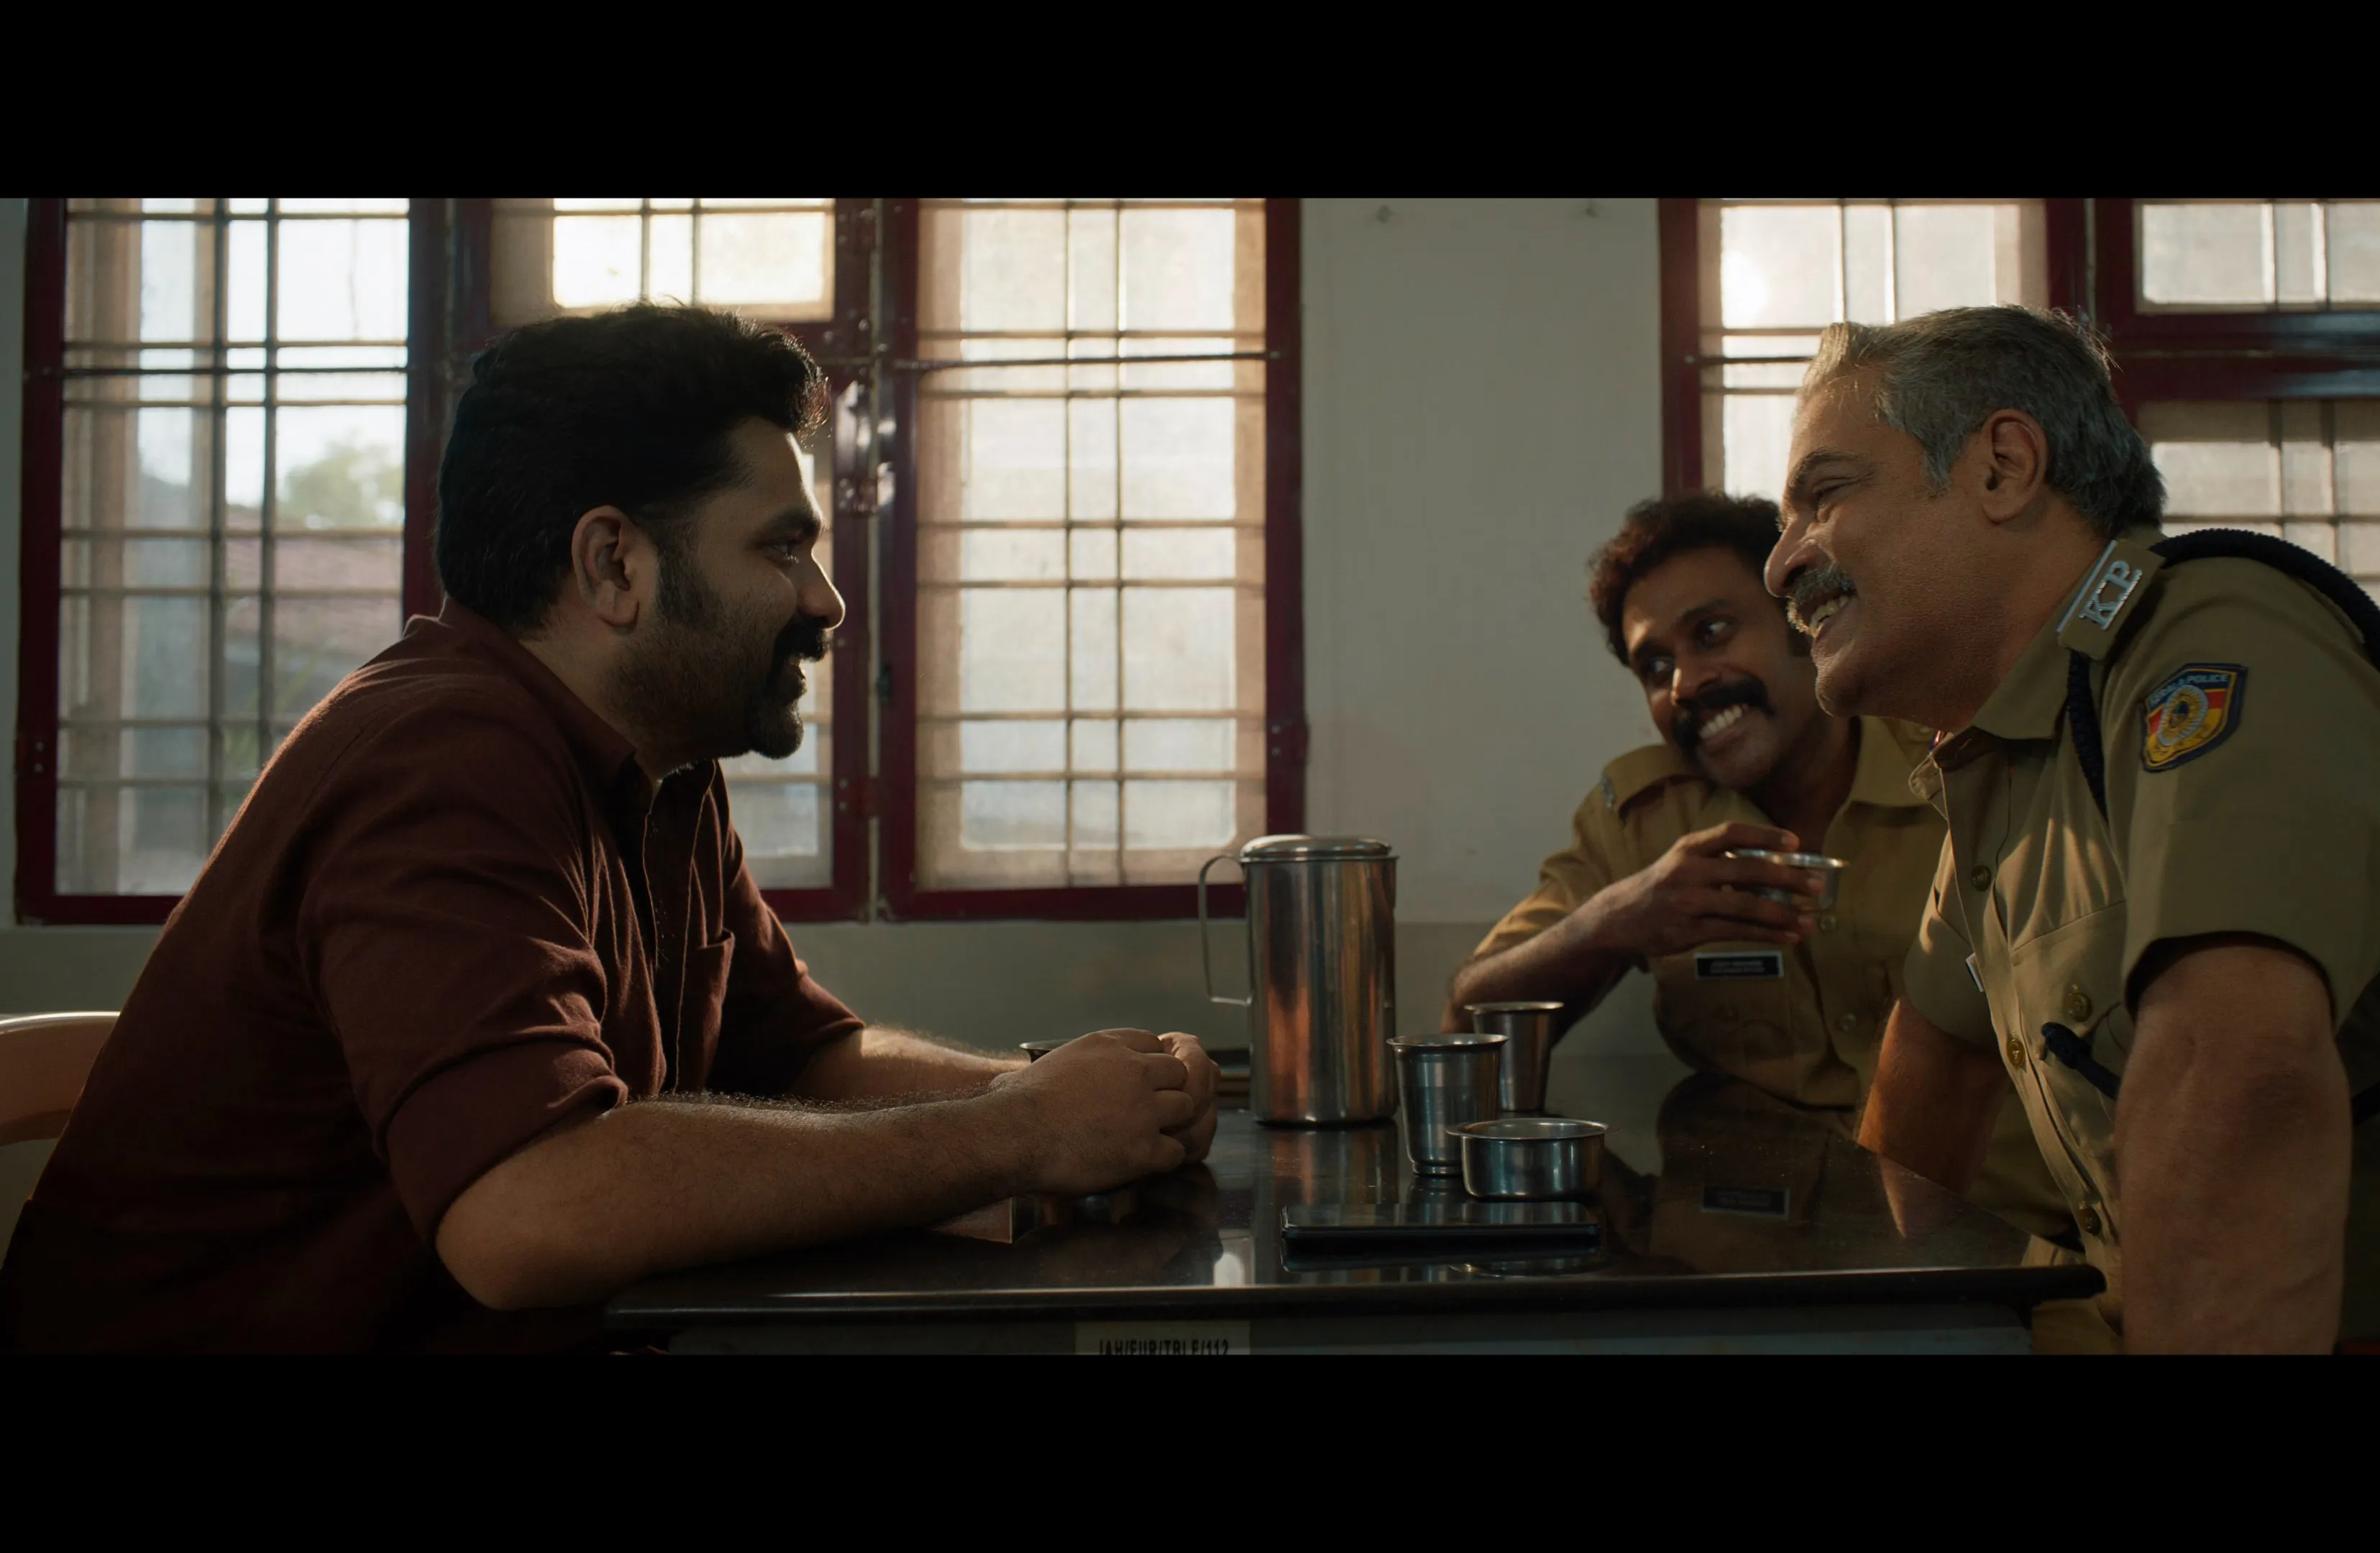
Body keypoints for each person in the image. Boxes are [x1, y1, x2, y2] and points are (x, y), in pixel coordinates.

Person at [0, 306, 1217, 1354]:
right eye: (783, 546)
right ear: (613, 565)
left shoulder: (663, 768)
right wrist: (1015, 1136)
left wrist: (1076, 1102)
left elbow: (801, 1059)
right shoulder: (442, 760)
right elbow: (528, 1212)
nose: (828, 599)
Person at [1762, 303, 2380, 1352]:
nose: (1783, 564)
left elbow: (2239, 1072)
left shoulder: (2215, 638)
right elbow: (1932, 1066)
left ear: (2004, 468)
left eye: (1824, 497)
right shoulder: (2012, 752)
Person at [1445, 494, 2067, 1243]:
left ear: (1802, 623)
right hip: (1753, 1271)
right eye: (1655, 666)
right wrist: (1615, 921)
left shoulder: (1962, 770)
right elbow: (1469, 1015)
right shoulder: (1643, 820)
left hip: (2004, 1249)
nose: (1686, 683)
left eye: (1712, 632)